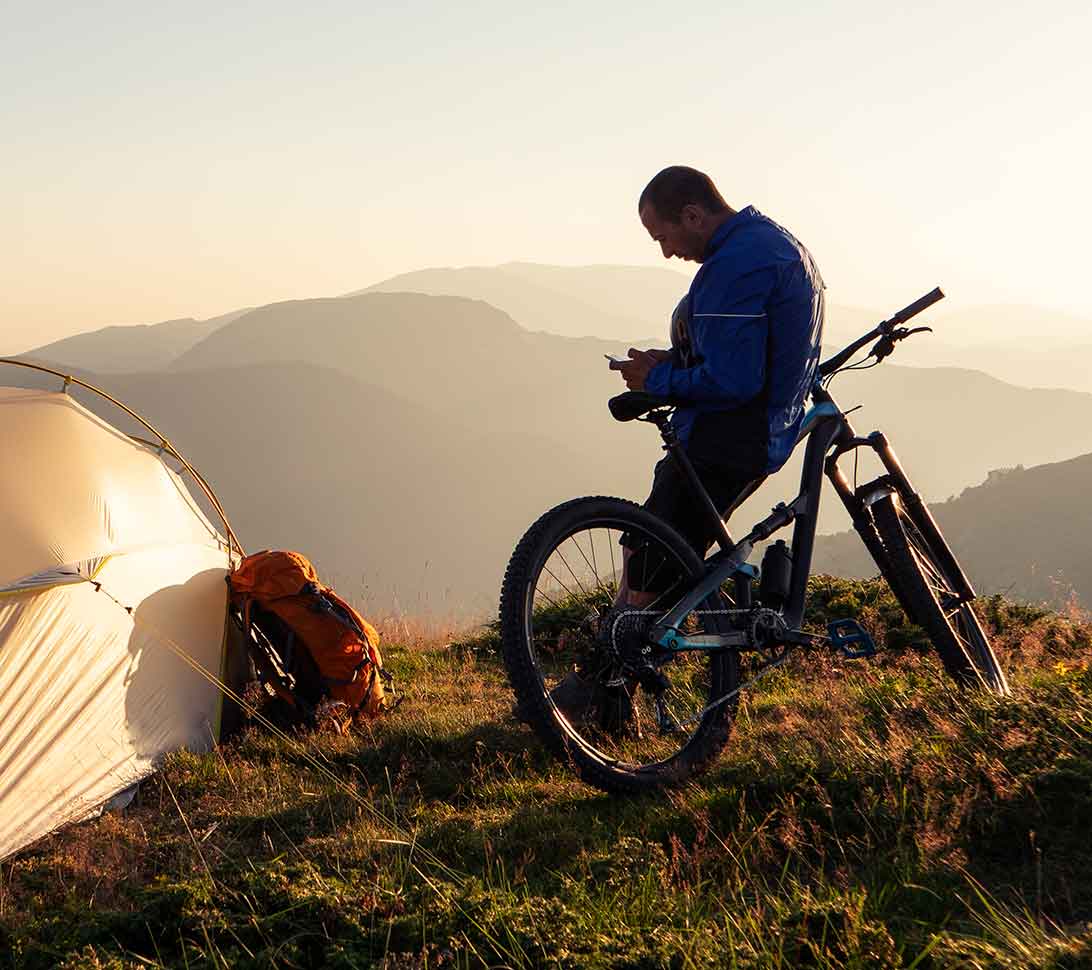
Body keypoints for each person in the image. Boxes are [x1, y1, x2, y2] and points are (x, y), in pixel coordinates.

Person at [614, 166, 825, 605]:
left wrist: (657, 379)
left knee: (654, 566)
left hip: (729, 441)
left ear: (692, 216)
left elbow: (735, 381)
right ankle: (605, 655)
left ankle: (619, 669)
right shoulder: (769, 243)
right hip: (735, 433)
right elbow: (742, 352)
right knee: (641, 544)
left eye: (663, 238)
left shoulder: (736, 265)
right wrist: (673, 361)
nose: (667, 253)